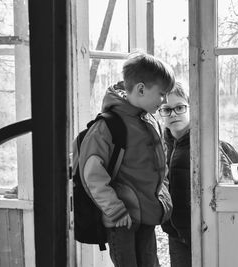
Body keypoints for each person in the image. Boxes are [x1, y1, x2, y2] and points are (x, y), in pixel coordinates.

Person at [78, 52, 174, 267]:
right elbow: (92, 174)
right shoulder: (108, 126)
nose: (165, 100)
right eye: (162, 94)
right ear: (141, 89)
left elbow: (160, 167)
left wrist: (162, 198)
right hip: (122, 219)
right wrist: (115, 210)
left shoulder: (150, 122)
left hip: (147, 214)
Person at [159, 82, 238, 267]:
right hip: (176, 232)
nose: (173, 114)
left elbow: (230, 188)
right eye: (166, 109)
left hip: (206, 231)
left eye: (179, 107)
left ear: (192, 107)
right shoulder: (161, 147)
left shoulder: (209, 145)